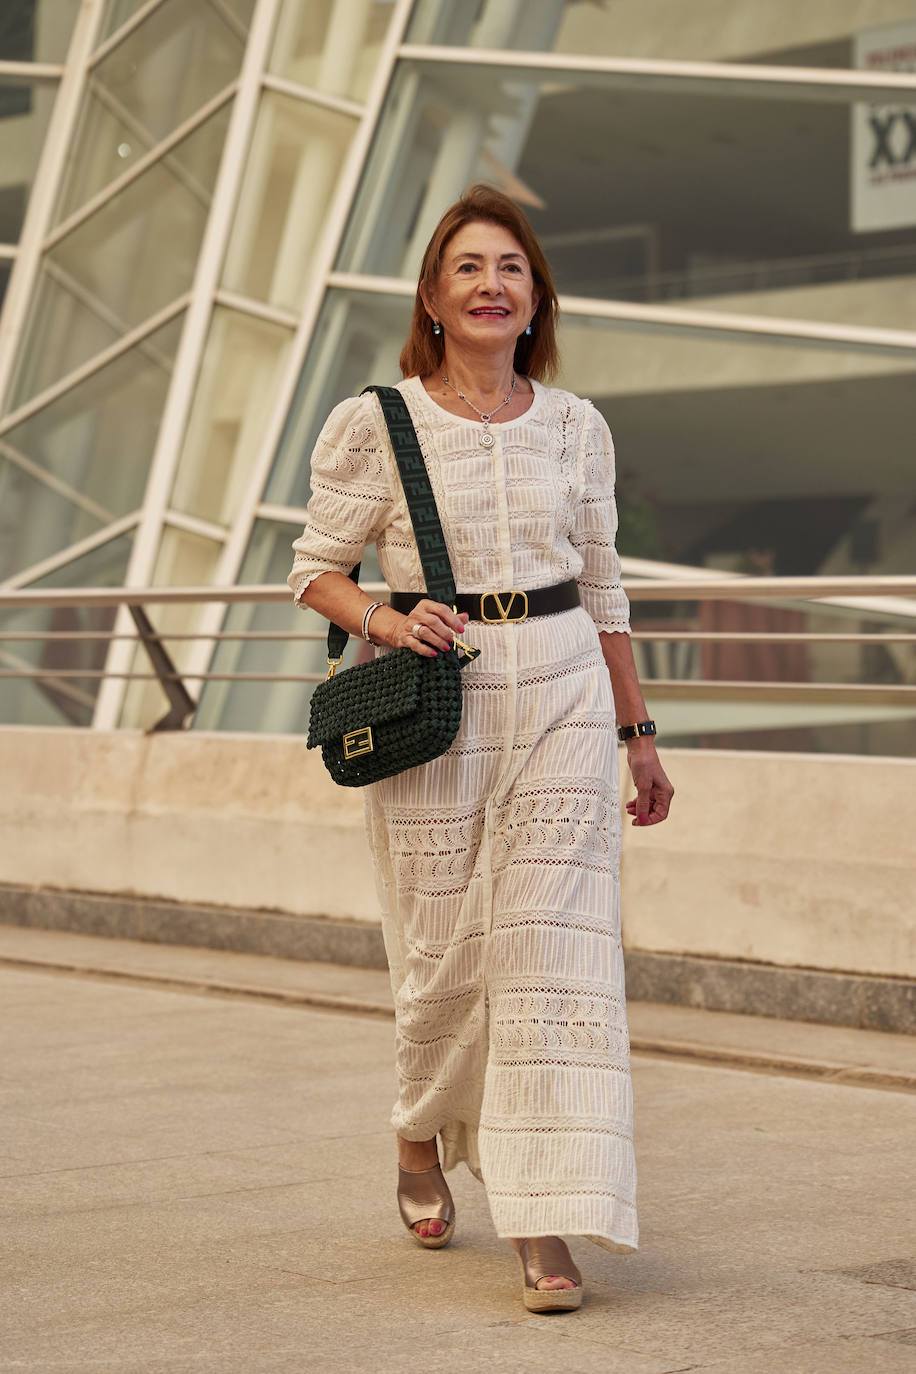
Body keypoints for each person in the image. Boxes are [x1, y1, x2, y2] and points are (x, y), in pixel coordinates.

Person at [288, 184, 674, 1313]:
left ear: (535, 295)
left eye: (510, 266)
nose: (491, 283)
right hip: (435, 711)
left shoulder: (575, 425)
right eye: (468, 267)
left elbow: (603, 588)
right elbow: (314, 567)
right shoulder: (378, 421)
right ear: (433, 297)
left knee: (552, 964)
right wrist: (384, 618)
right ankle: (419, 1135)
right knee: (446, 961)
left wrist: (637, 734)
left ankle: (541, 1218)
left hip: (558, 690)